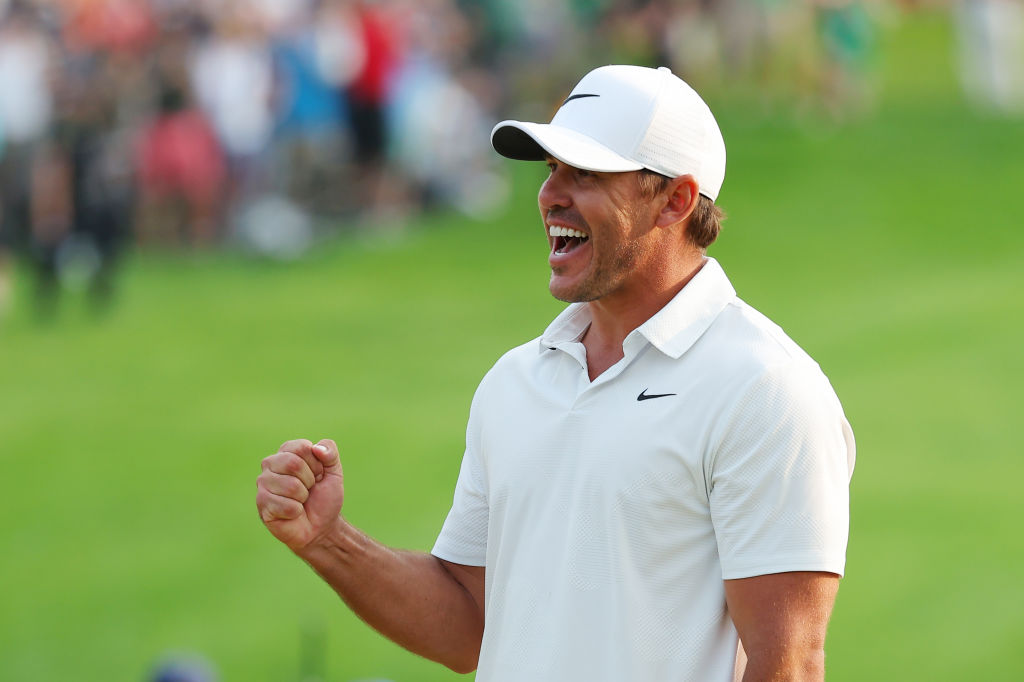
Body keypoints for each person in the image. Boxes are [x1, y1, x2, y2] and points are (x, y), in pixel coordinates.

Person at [256, 64, 855, 681]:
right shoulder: (516, 383)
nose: (550, 195)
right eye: (551, 171)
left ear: (675, 199)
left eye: (587, 173)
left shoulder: (764, 389)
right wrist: (328, 540)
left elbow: (787, 663)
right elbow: (471, 626)